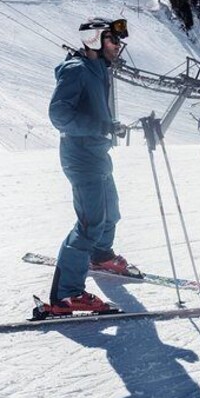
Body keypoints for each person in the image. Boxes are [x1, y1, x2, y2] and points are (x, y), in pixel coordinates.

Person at [46, 17, 135, 315]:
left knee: (111, 210)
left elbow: (93, 111)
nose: (118, 46)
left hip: (97, 152)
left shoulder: (98, 68)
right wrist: (97, 125)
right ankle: (66, 295)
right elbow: (59, 115)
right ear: (95, 39)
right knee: (89, 223)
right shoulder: (76, 70)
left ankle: (100, 256)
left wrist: (109, 126)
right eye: (113, 40)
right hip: (81, 156)